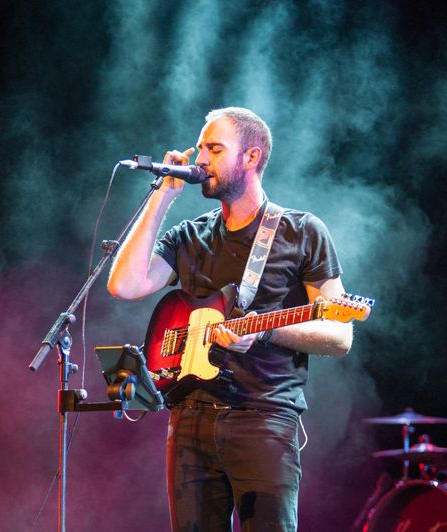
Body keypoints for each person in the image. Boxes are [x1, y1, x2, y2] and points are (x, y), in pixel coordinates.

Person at [107, 107, 353, 531]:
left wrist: (266, 332)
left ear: (251, 157)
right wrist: (164, 192)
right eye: (200, 147)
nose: (200, 159)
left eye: (214, 149)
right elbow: (125, 285)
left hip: (263, 417)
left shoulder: (301, 231)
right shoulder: (190, 235)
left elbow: (339, 333)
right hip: (188, 418)